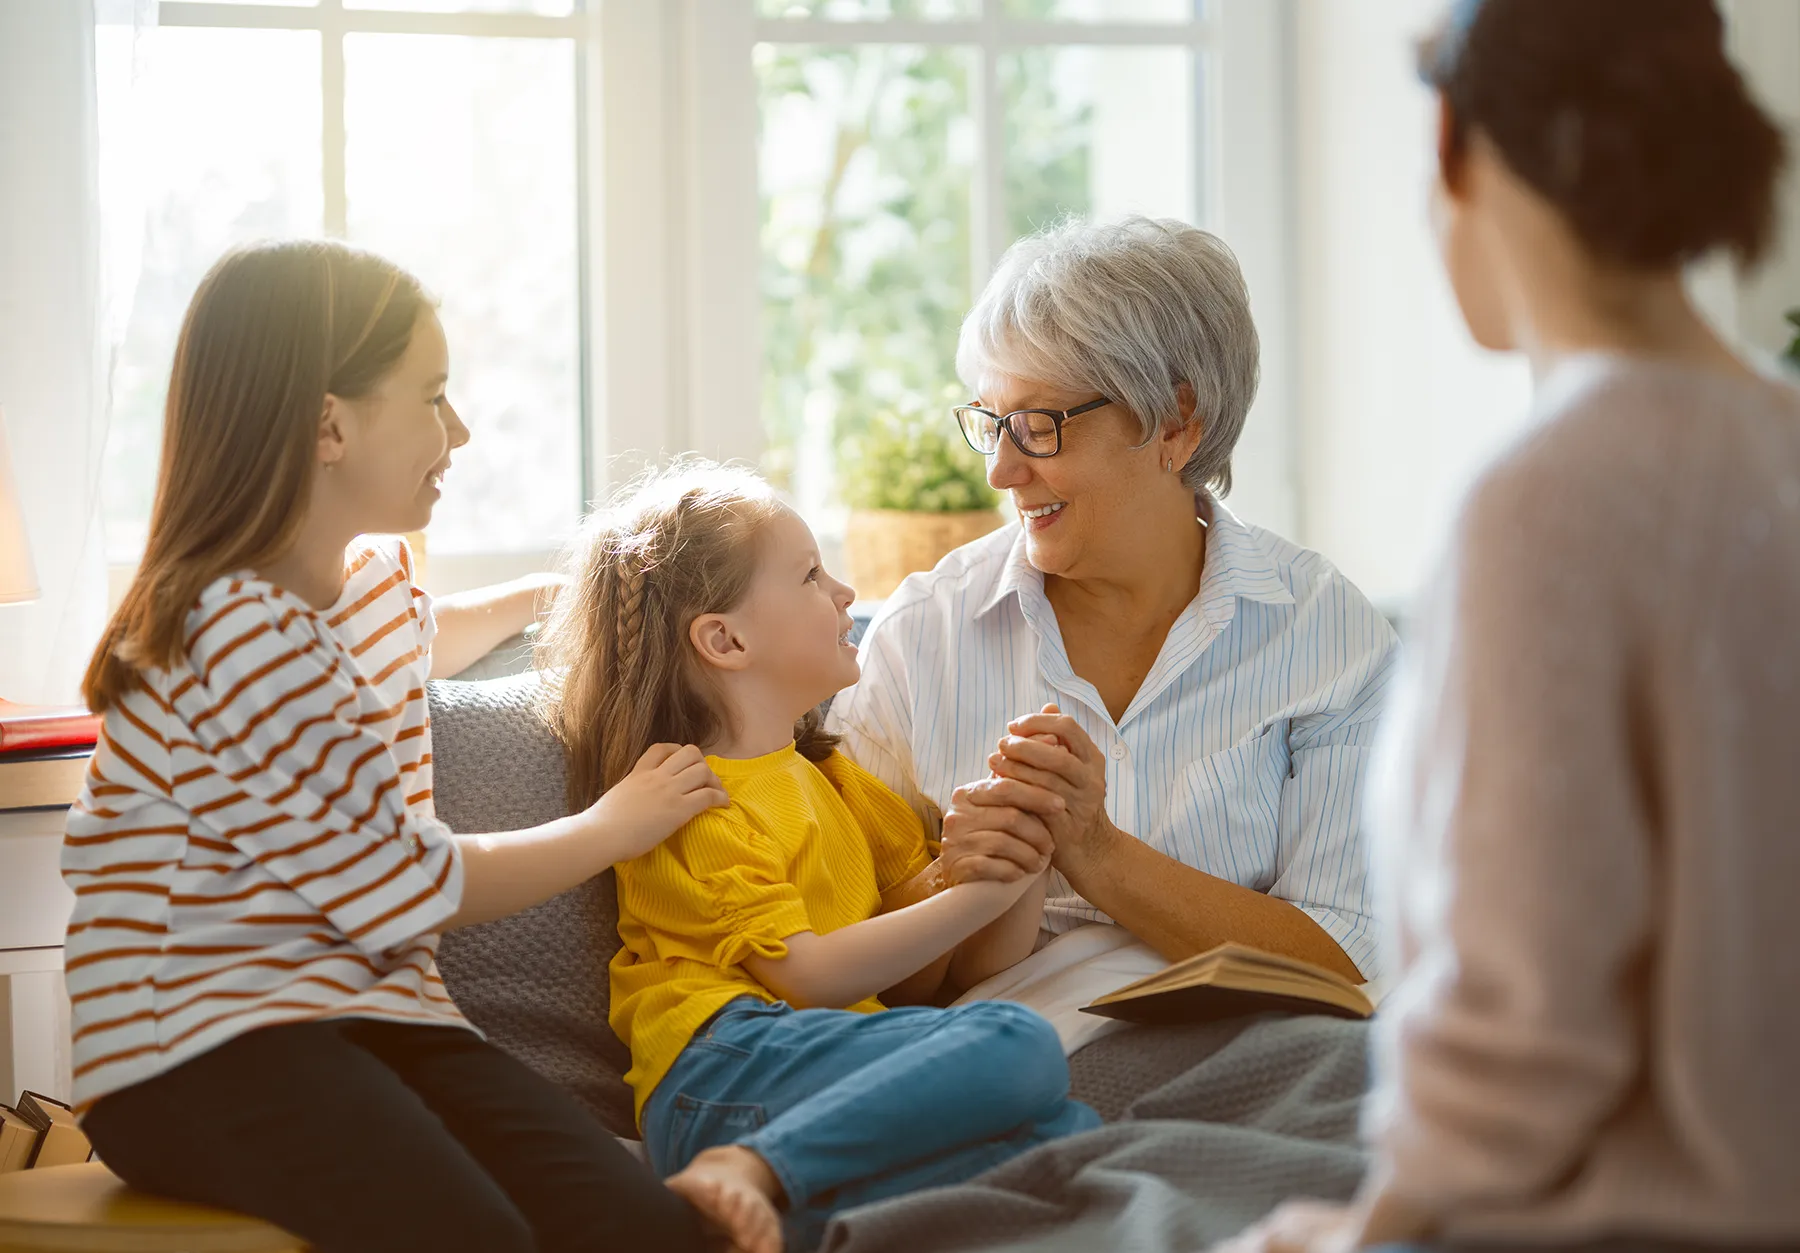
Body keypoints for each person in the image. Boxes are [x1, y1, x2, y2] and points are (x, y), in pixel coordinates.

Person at [1225, 1, 1800, 1249]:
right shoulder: (1778, 446)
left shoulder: (1550, 496)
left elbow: (1525, 1010)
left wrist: (1370, 1226)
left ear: (1456, 151)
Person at [65, 240, 733, 1253]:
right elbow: (409, 884)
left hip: (376, 1016)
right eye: (431, 396)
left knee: (644, 1224)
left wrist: (565, 597)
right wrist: (613, 823)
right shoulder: (232, 626)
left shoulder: (369, 582)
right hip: (199, 1042)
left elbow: (428, 631)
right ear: (328, 422)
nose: (457, 430)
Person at [829, 215, 1398, 1035]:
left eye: (1038, 425)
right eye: (991, 422)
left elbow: (1346, 955)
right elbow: (843, 972)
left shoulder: (1323, 632)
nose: (1000, 468)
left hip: (1251, 1066)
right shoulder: (924, 634)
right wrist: (953, 878)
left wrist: (1097, 851)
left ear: (1175, 423)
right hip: (996, 1076)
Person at [538, 462, 1102, 1253]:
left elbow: (936, 977)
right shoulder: (685, 795)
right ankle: (748, 1168)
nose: (844, 592)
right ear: (724, 638)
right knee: (1019, 1042)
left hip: (818, 1076)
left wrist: (1019, 858)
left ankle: (749, 1213)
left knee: (1064, 1134)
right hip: (725, 1071)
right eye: (809, 574)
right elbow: (809, 975)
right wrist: (969, 899)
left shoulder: (835, 780)